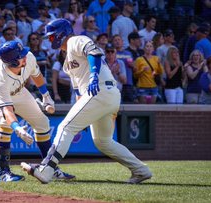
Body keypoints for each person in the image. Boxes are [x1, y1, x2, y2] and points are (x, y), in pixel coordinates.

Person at [21, 19, 152, 184]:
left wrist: (93, 75)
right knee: (103, 141)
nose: (51, 40)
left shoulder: (76, 40)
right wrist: (80, 113)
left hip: (100, 90)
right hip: (103, 95)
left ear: (62, 33)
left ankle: (46, 170)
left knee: (65, 127)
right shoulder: (67, 61)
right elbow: (78, 91)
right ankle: (141, 170)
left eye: (52, 36)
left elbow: (94, 52)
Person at [0, 40, 75, 183]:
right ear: (13, 62)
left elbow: (36, 74)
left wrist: (45, 95)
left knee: (42, 122)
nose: (26, 56)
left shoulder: (29, 56)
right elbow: (7, 110)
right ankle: (2, 173)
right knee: (5, 123)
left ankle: (49, 168)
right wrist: (17, 128)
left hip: (17, 88)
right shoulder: (0, 80)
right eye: (21, 55)